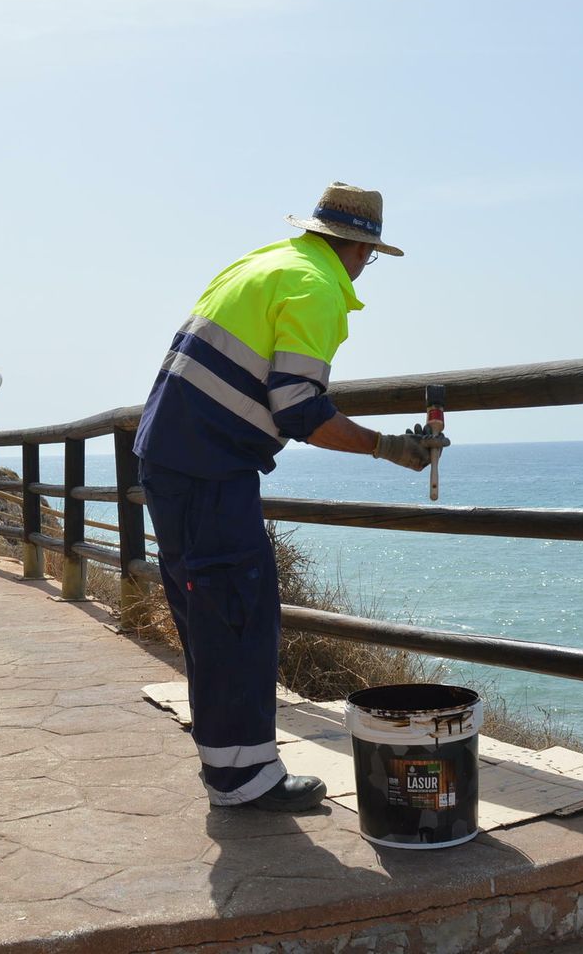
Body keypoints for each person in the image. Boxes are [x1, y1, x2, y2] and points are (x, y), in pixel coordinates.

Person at [134, 182, 436, 812]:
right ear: (360, 249)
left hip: (177, 457)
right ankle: (242, 782)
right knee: (237, 616)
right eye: (369, 256)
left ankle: (231, 767)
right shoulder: (317, 289)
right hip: (209, 468)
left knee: (211, 613)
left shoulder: (265, 263)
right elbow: (298, 408)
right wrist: (389, 448)